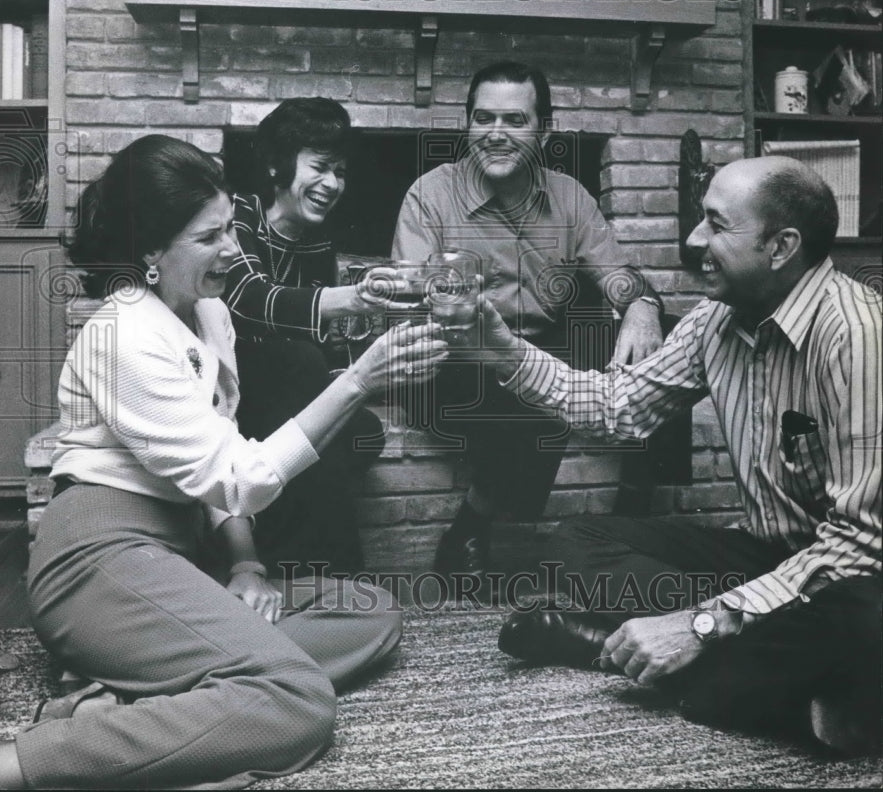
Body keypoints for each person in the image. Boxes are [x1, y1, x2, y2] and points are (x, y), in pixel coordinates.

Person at [0, 135, 448, 790]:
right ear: (150, 253)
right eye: (210, 237)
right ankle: (23, 763)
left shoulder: (208, 314)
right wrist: (357, 382)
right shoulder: (123, 334)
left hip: (179, 554)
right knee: (296, 700)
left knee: (369, 612)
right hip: (96, 561)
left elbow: (218, 453)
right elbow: (241, 478)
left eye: (231, 227)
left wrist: (245, 565)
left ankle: (131, 692)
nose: (234, 249)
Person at [481, 155, 880, 755]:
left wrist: (701, 623)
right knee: (576, 542)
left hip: (855, 578)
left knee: (860, 623)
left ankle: (630, 651)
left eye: (716, 224)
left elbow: (860, 544)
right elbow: (617, 407)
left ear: (781, 246)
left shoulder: (858, 335)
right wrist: (502, 348)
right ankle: (784, 692)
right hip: (773, 563)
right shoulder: (714, 320)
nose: (695, 240)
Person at [391, 61, 664, 583]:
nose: (495, 134)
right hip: (454, 360)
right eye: (483, 118)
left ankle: (635, 507)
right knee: (539, 391)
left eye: (514, 120)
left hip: (537, 351)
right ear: (467, 124)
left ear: (545, 130)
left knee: (660, 332)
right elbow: (413, 301)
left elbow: (618, 276)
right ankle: (470, 528)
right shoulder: (429, 195)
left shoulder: (569, 196)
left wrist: (642, 307)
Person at [224, 97, 403, 577]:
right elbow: (248, 299)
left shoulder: (317, 242)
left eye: (340, 172)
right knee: (301, 363)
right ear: (278, 165)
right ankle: (339, 568)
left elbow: (328, 346)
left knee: (360, 431)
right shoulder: (240, 214)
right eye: (320, 167)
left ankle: (289, 559)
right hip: (230, 390)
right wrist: (351, 298)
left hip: (287, 397)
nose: (333, 184)